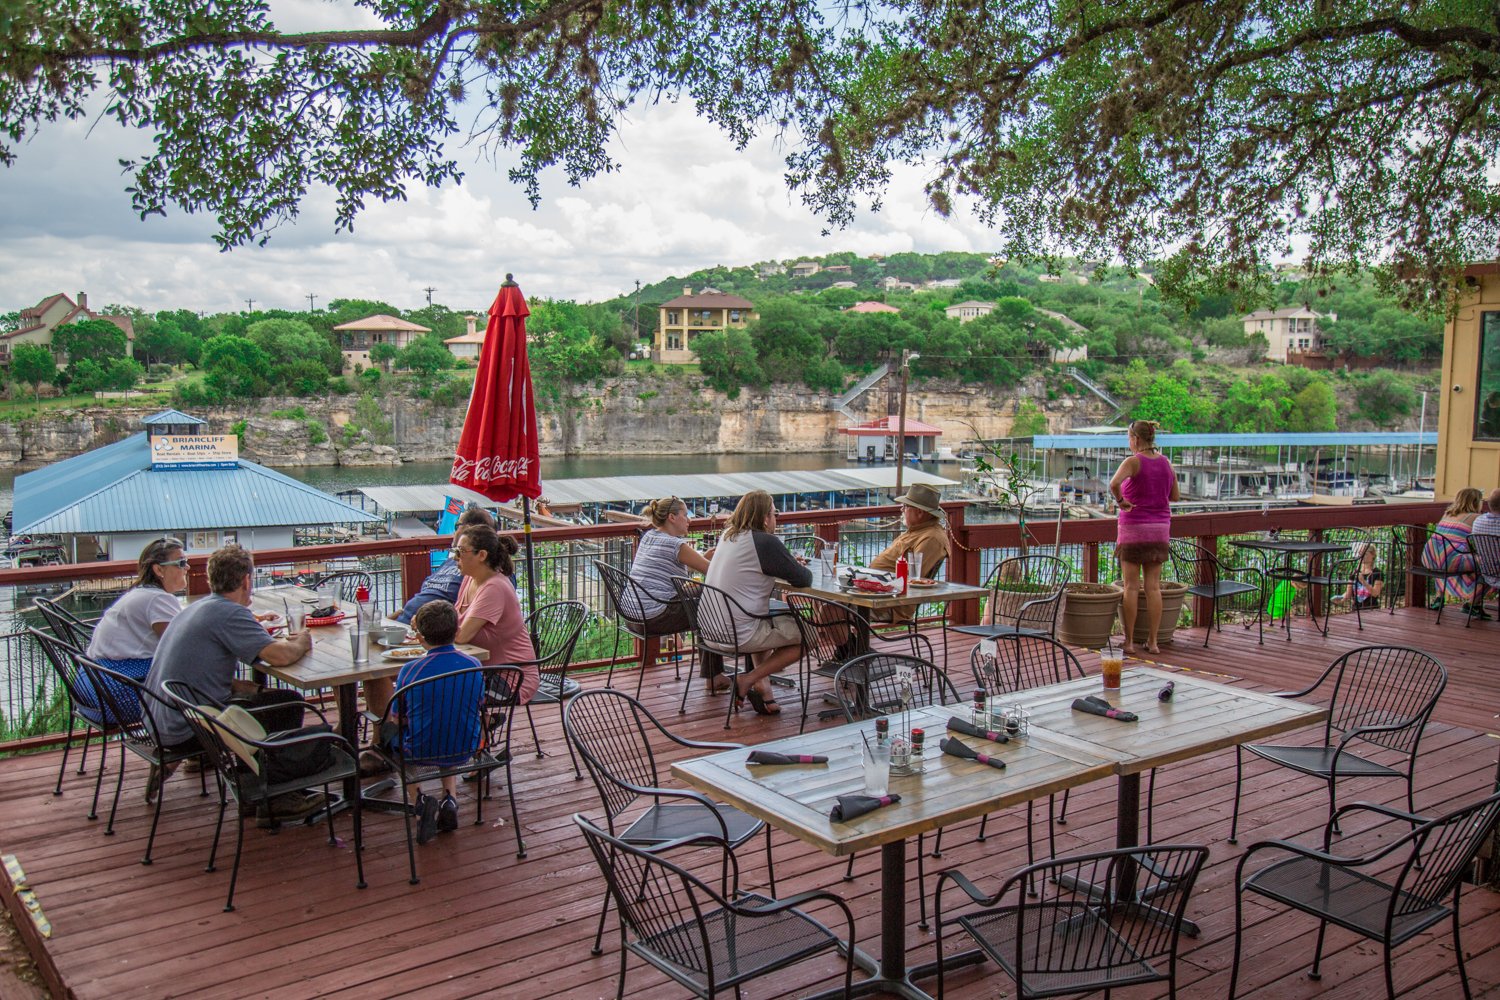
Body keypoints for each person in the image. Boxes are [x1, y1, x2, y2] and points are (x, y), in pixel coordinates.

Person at [143, 544, 321, 819]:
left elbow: (205, 673)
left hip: (160, 718)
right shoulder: (229, 613)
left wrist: (255, 688)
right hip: (189, 726)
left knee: (269, 700)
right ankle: (275, 795)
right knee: (288, 704)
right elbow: (280, 656)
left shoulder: (199, 607)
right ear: (246, 580)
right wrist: (302, 641)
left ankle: (255, 781)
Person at [702, 490, 811, 715]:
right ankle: (750, 678)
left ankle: (763, 685)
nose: (776, 519)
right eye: (774, 514)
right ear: (764, 518)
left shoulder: (728, 536)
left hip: (710, 630)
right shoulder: (765, 541)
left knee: (766, 614)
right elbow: (803, 579)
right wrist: (791, 563)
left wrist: (784, 562)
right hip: (739, 633)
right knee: (809, 636)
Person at [385, 600, 483, 845]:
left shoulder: (410, 670)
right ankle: (449, 797)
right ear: (457, 631)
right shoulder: (474, 665)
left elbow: (398, 717)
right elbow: (477, 703)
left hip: (420, 749)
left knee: (391, 738)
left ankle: (419, 800)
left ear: (419, 637)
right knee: (449, 724)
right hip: (466, 745)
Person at [81, 537, 188, 723]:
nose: (187, 568)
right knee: (198, 690)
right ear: (159, 569)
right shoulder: (158, 600)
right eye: (181, 563)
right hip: (115, 696)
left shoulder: (141, 593)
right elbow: (181, 649)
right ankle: (202, 746)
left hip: (90, 689)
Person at [625, 496, 721, 687]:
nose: (690, 520)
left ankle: (714, 674)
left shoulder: (649, 537)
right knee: (711, 604)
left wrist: (701, 558)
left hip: (632, 617)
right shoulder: (676, 545)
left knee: (703, 594)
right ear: (672, 517)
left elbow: (669, 566)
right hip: (653, 618)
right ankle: (714, 676)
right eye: (685, 515)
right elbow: (713, 571)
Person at [1110, 419, 1180, 655]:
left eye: (1129, 438)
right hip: (1160, 528)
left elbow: (1114, 484)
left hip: (1134, 527)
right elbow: (1175, 496)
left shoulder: (1133, 462)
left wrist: (1121, 501)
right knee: (1153, 587)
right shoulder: (1166, 463)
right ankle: (1153, 642)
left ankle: (1129, 642)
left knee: (1130, 586)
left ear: (1136, 439)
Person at [453, 524, 539, 704]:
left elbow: (460, 636)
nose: (455, 557)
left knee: (442, 691)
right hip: (482, 670)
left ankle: (479, 727)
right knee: (436, 687)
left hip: (510, 678)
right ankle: (480, 726)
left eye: (460, 551)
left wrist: (431, 632)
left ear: (481, 555)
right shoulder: (470, 579)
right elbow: (454, 623)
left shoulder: (494, 587)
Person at [394, 507, 496, 624]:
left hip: (430, 629)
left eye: (457, 526)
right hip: (405, 622)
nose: (454, 532)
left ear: (469, 529)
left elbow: (468, 619)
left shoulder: (484, 571)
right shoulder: (452, 562)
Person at [866, 482, 950, 624]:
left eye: (905, 506)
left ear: (919, 512)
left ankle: (854, 646)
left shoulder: (931, 538)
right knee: (825, 603)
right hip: (876, 594)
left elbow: (914, 579)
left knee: (831, 609)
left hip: (891, 603)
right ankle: (853, 646)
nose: (901, 509)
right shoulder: (918, 531)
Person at [1422, 487, 1484, 614]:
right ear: (1476, 502)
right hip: (1450, 559)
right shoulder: (1475, 517)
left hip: (1429, 556)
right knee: (1488, 563)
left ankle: (1439, 598)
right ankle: (1473, 603)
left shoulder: (1448, 513)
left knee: (1444, 558)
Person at [1333, 541, 1384, 610]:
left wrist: (1363, 581)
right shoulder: (1355, 572)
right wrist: (1340, 600)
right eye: (1360, 553)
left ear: (1373, 555)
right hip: (1356, 610)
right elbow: (1348, 593)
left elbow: (1375, 593)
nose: (1361, 556)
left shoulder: (1378, 573)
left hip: (1372, 610)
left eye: (1364, 553)